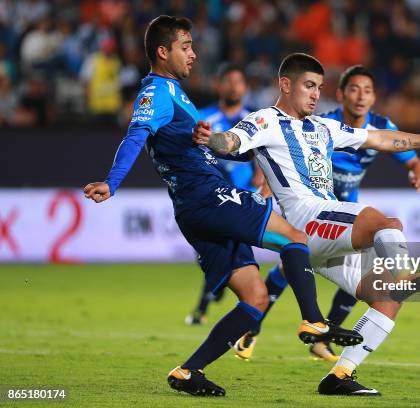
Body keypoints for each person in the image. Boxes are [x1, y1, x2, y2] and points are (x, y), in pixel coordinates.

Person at [83, 17, 362, 398]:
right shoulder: (157, 93)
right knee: (295, 236)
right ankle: (314, 321)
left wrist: (216, 144)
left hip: (194, 209)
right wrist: (111, 183)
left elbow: (205, 147)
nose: (194, 54)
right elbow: (136, 134)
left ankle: (187, 371)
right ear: (163, 52)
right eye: (186, 46)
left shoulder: (176, 94)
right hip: (207, 196)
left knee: (255, 298)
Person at [194, 52, 420, 396]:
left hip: (325, 232)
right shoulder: (267, 120)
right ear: (285, 84)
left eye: (319, 87)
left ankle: (339, 375)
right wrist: (211, 138)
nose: (314, 93)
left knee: (389, 298)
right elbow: (231, 142)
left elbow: (379, 138)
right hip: (304, 220)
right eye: (308, 85)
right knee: (383, 221)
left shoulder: (324, 128)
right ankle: (403, 272)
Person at [232, 64, 420, 363]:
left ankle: (333, 361)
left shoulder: (373, 125)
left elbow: (401, 151)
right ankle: (255, 328)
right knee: (379, 229)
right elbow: (275, 149)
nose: (361, 96)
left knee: (377, 286)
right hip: (315, 212)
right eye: (354, 89)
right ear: (341, 94)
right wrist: (268, 180)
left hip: (341, 206)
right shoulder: (317, 122)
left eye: (367, 91)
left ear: (374, 97)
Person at [185, 62, 268, 326]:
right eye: (229, 81)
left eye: (239, 81)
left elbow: (264, 155)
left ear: (245, 87)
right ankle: (228, 305)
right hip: (211, 198)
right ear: (218, 85)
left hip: (242, 199)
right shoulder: (202, 118)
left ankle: (207, 307)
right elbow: (191, 152)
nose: (234, 86)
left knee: (228, 253)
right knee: (222, 254)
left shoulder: (254, 121)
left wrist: (261, 176)